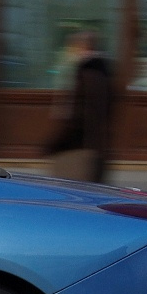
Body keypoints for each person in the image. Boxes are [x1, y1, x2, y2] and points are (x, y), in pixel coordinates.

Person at [45, 29, 113, 183]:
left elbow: (82, 112)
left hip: (82, 149)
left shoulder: (89, 71)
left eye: (72, 47)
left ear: (80, 47)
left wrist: (59, 142)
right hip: (93, 146)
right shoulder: (98, 70)